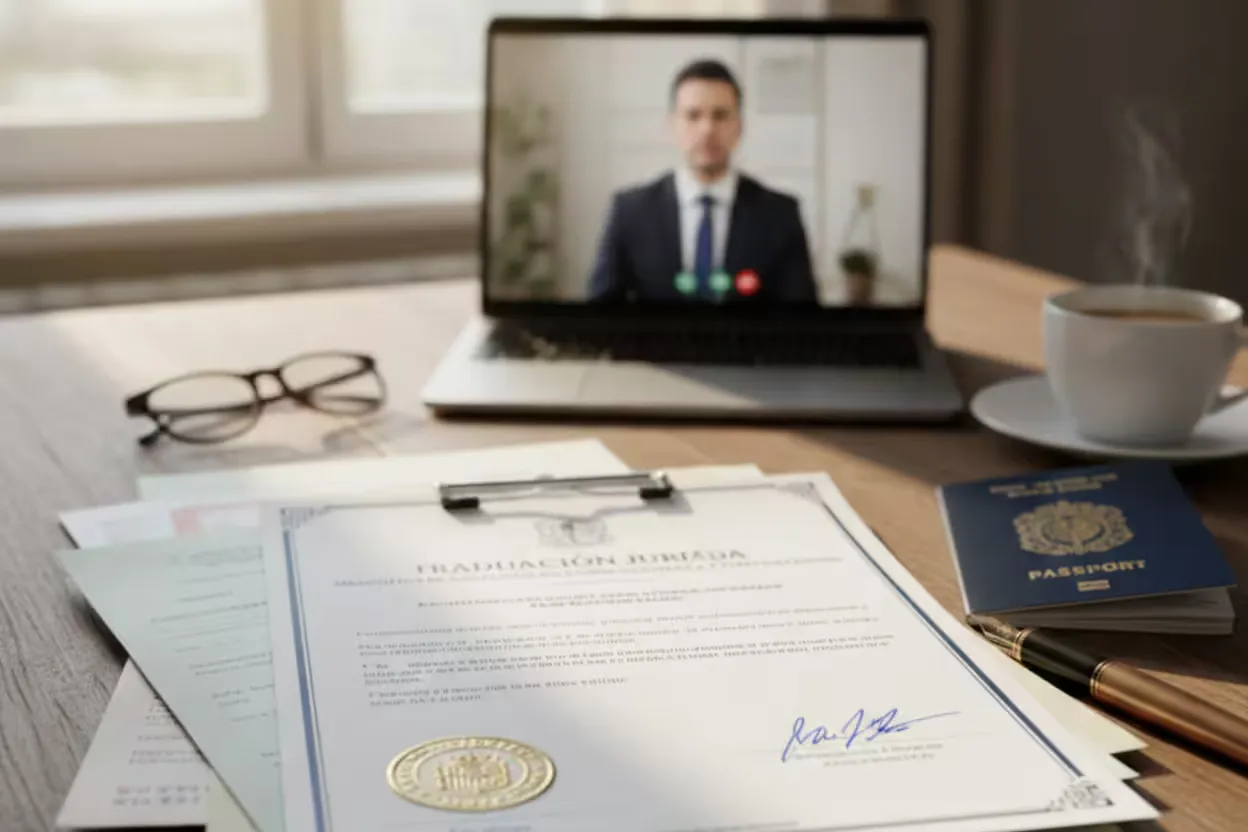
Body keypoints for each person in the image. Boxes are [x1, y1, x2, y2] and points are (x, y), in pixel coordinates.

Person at [588, 59, 818, 303]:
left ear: (739, 127)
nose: (707, 128)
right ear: (672, 125)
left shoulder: (780, 214)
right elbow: (600, 313)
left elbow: (802, 320)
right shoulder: (630, 212)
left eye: (720, 116)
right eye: (693, 115)